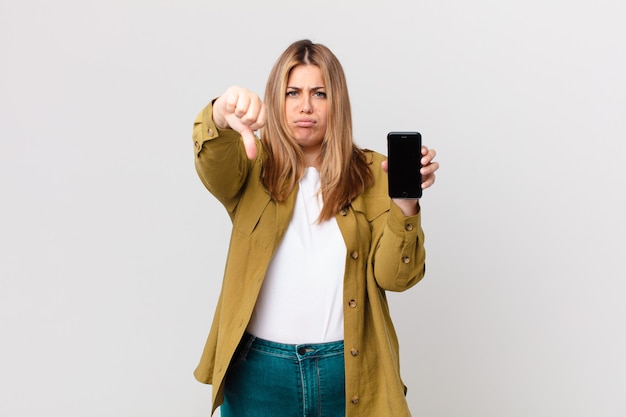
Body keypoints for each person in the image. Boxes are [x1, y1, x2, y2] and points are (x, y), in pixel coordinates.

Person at [191, 39, 439, 417]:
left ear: (336, 102)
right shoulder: (251, 166)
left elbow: (395, 277)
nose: (305, 105)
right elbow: (213, 159)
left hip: (348, 371)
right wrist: (220, 114)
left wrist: (405, 205)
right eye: (293, 93)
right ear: (277, 99)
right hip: (258, 373)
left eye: (319, 93)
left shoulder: (374, 173)